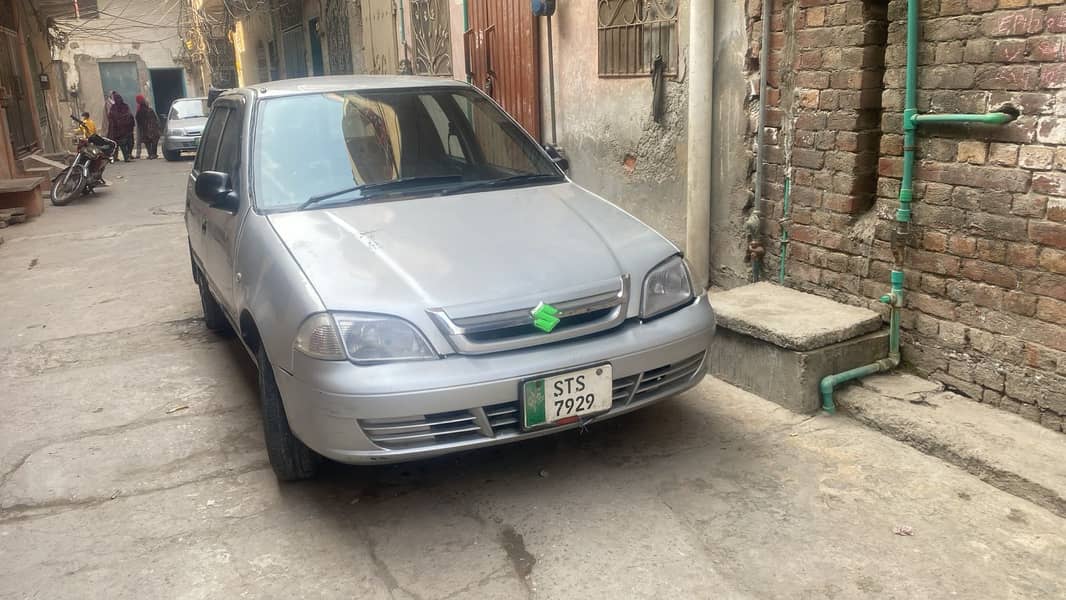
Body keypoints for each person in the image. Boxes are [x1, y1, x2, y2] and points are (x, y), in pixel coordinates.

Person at [106, 92, 136, 162]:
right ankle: (126, 157)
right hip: (119, 130)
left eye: (120, 98)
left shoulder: (125, 106)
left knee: (130, 143)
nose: (119, 100)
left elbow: (130, 115)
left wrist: (131, 124)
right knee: (122, 144)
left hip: (128, 129)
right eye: (117, 99)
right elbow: (111, 119)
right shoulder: (113, 108)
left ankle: (128, 154)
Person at [134, 94, 162, 160]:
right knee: (154, 141)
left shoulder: (139, 111)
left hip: (145, 129)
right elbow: (156, 119)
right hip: (153, 128)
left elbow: (138, 120)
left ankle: (150, 154)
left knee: (147, 142)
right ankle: (153, 154)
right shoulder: (150, 110)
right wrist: (158, 127)